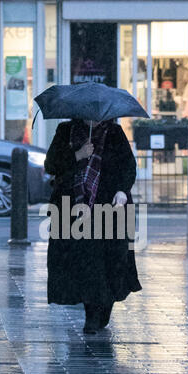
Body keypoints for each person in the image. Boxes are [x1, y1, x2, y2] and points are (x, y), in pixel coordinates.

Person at [44, 118, 142, 334]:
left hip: (109, 206)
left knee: (110, 261)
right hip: (72, 208)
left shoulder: (114, 133)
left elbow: (128, 166)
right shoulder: (66, 131)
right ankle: (92, 315)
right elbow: (51, 164)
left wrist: (122, 190)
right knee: (86, 263)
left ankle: (104, 306)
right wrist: (78, 155)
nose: (93, 119)